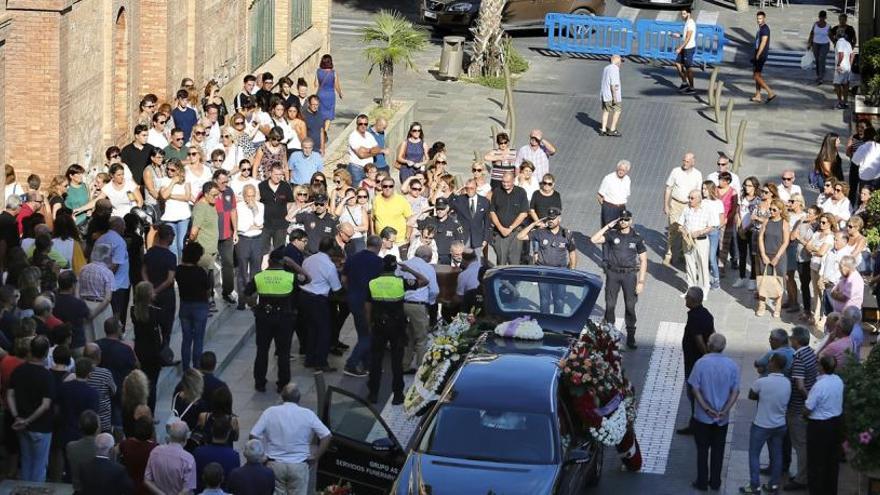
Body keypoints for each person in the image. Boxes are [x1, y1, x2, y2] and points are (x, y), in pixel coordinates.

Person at [366, 255, 429, 404]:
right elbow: (424, 281)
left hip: (378, 326)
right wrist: (409, 269)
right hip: (397, 327)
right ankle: (398, 395)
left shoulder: (372, 283)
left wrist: (369, 324)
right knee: (396, 361)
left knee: (376, 360)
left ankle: (373, 394)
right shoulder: (401, 281)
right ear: (395, 268)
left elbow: (367, 306)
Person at [249, 383, 332, 495]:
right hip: (299, 465)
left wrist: (262, 456)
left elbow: (253, 435)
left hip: (275, 465)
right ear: (299, 397)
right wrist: (315, 457)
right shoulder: (308, 414)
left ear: (282, 396)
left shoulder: (270, 412)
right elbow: (327, 436)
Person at [244, 249, 307, 393]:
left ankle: (260, 383)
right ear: (283, 263)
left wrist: (254, 307)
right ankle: (283, 384)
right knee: (284, 353)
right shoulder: (290, 277)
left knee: (262, 351)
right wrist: (294, 265)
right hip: (284, 319)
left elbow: (246, 294)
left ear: (270, 262)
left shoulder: (259, 276)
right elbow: (307, 278)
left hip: (264, 318)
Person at [687, 333, 739, 491]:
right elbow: (735, 391)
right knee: (718, 450)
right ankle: (715, 482)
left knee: (702, 450)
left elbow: (695, 389)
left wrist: (706, 408)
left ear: (709, 345)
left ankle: (702, 481)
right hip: (721, 419)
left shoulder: (701, 363)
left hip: (703, 417)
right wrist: (724, 410)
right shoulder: (732, 365)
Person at [590, 209, 646, 349]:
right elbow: (594, 239)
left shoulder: (637, 237)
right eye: (621, 219)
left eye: (626, 219)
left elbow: (644, 260)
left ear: (631, 221)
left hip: (629, 275)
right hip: (613, 274)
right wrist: (608, 226)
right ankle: (610, 334)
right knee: (610, 305)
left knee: (630, 306)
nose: (623, 222)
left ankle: (631, 337)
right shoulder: (612, 234)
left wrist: (641, 282)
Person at [740, 354, 791, 494]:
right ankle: (774, 485)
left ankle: (754, 486)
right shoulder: (787, 383)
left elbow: (751, 395)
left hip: (761, 424)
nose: (768, 364)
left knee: (754, 454)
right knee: (777, 455)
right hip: (780, 424)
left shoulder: (762, 382)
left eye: (769, 362)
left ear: (773, 364)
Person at [8, 335, 55, 482]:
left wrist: (18, 418)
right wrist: (28, 420)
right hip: (40, 427)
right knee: (39, 467)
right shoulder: (47, 376)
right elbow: (45, 405)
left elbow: (10, 395)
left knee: (27, 463)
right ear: (46, 353)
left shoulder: (18, 371)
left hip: (21, 426)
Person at [342, 236, 384, 377]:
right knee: (368, 335)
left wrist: (351, 291)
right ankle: (351, 364)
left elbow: (344, 279)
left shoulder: (352, 258)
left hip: (353, 299)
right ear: (379, 246)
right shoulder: (378, 262)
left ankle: (367, 364)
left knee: (362, 332)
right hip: (368, 303)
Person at [675, 287, 714, 435]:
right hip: (698, 360)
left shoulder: (694, 317)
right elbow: (712, 334)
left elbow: (699, 340)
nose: (685, 299)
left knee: (693, 393)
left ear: (693, 300)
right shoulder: (706, 314)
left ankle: (697, 424)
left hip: (694, 362)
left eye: (687, 298)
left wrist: (706, 357)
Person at [300, 237, 342, 372]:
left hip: (304, 296)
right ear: (331, 250)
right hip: (318, 300)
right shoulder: (329, 266)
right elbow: (336, 289)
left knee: (311, 329)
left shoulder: (309, 259)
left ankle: (310, 359)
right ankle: (321, 362)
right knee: (324, 331)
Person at [784, 326, 818, 491]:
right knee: (803, 442)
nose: (790, 340)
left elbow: (799, 385)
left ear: (796, 340)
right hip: (803, 406)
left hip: (798, 408)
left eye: (792, 338)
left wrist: (809, 401)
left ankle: (801, 478)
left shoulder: (798, 358)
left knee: (800, 444)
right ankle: (802, 474)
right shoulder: (810, 352)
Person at [804, 355, 844, 495]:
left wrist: (805, 415)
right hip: (836, 423)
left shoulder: (819, 385)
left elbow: (808, 408)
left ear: (821, 367)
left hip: (819, 426)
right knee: (832, 462)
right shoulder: (838, 381)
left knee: (816, 462)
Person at [400, 246, 439, 374]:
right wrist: (431, 303)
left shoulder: (403, 264)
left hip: (401, 303)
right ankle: (421, 368)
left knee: (408, 336)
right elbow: (434, 290)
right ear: (427, 257)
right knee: (421, 338)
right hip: (418, 305)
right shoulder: (428, 268)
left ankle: (404, 364)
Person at [176, 242, 211, 370]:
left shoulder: (178, 270)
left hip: (185, 306)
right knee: (198, 339)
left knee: (186, 339)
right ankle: (196, 367)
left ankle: (186, 368)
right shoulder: (200, 271)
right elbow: (208, 289)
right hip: (200, 306)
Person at [664, 153, 703, 266]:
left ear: (692, 162)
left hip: (689, 205)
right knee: (673, 229)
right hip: (676, 204)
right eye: (684, 161)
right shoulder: (676, 171)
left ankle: (681, 253)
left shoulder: (697, 174)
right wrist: (666, 205)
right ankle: (669, 253)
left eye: (687, 161)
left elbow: (699, 192)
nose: (684, 163)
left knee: (686, 230)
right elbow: (668, 188)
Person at [141, 224, 177, 348]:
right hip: (166, 296)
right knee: (166, 328)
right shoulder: (171, 256)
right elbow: (169, 279)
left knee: (152, 325)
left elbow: (143, 271)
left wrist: (149, 288)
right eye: (172, 235)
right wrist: (156, 290)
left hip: (150, 295)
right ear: (168, 237)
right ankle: (164, 352)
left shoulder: (150, 253)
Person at [678, 189, 717, 295]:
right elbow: (680, 225)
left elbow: (711, 226)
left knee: (702, 265)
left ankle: (704, 289)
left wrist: (700, 232)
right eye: (689, 197)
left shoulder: (706, 210)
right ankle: (690, 289)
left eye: (692, 198)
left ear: (699, 199)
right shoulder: (686, 209)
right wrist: (683, 231)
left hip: (701, 241)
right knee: (689, 265)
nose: (689, 200)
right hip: (688, 241)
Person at [757, 199, 790, 317]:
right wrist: (763, 254)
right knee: (763, 279)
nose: (771, 211)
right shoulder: (766, 221)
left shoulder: (784, 223)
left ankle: (777, 306)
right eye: (770, 209)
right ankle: (761, 305)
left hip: (779, 256)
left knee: (778, 281)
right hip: (765, 254)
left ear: (780, 211)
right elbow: (760, 238)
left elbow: (786, 242)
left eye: (774, 210)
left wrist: (777, 257)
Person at [144, 421, 197, 495]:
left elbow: (147, 480)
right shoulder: (188, 459)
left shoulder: (155, 452)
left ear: (169, 435)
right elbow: (187, 489)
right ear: (185, 438)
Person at [96, 216, 131, 326]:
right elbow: (116, 265)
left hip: (103, 283)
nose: (125, 228)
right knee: (117, 313)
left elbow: (98, 260)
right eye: (123, 225)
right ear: (118, 226)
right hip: (117, 284)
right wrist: (108, 279)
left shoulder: (101, 239)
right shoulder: (119, 242)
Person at [490, 171, 529, 265]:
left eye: (508, 182)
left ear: (513, 181)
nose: (505, 184)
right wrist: (500, 228)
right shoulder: (497, 191)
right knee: (501, 261)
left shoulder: (521, 192)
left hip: (515, 233)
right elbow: (492, 212)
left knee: (514, 262)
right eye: (503, 181)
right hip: (500, 233)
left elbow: (523, 213)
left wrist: (511, 228)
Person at [193, 416, 240, 493]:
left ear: (212, 430)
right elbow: (233, 481)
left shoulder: (198, 452)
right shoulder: (234, 456)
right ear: (228, 433)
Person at [236, 184, 264, 310]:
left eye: (253, 195)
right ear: (244, 196)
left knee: (256, 271)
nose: (251, 198)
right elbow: (240, 226)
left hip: (257, 239)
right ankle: (242, 299)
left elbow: (259, 223)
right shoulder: (238, 207)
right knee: (242, 270)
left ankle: (253, 299)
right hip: (243, 239)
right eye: (248, 196)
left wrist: (255, 210)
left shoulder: (261, 206)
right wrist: (249, 226)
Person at [80, 243, 115, 342]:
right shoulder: (107, 273)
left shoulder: (83, 269)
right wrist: (94, 313)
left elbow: (78, 290)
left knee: (87, 338)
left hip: (85, 305)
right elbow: (108, 298)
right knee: (101, 338)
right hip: (101, 308)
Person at [214, 170, 239, 305]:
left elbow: (233, 211)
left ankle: (227, 291)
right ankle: (208, 294)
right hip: (211, 235)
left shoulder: (229, 191)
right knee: (208, 265)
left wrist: (235, 230)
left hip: (227, 234)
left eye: (226, 181)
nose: (225, 184)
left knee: (228, 264)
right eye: (222, 182)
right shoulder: (206, 192)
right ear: (215, 180)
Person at [259, 164, 294, 255]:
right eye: (276, 174)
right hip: (265, 224)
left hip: (281, 225)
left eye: (280, 175)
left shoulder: (286, 186)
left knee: (279, 252)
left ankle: (278, 269)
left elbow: (290, 203)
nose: (278, 177)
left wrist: (288, 216)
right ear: (270, 173)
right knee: (264, 252)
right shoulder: (261, 186)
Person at [451, 179, 491, 252]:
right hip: (463, 238)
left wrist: (485, 239)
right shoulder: (459, 200)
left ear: (476, 188)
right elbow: (448, 205)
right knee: (463, 262)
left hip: (478, 239)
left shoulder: (484, 201)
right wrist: (455, 193)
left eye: (471, 188)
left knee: (476, 262)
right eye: (467, 188)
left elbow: (487, 223)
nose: (469, 190)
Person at [65, 410, 100, 493]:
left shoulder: (71, 446)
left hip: (78, 490)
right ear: (97, 427)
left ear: (79, 426)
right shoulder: (101, 448)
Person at [373, 177, 413, 247]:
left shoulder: (401, 200)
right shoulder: (376, 200)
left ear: (393, 187)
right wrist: (373, 235)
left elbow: (410, 219)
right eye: (385, 186)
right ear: (381, 187)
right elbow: (373, 218)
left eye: (390, 186)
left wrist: (407, 237)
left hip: (399, 242)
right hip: (381, 242)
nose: (388, 188)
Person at [347, 114, 385, 185]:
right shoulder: (353, 136)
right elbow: (361, 155)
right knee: (358, 191)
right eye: (360, 123)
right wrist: (372, 150)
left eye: (365, 124)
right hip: (357, 168)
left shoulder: (369, 135)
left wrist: (366, 150)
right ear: (357, 124)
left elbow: (378, 148)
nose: (363, 125)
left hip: (369, 169)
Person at [596, 160, 631, 227]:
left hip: (622, 208)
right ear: (617, 168)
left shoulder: (627, 179)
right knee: (608, 229)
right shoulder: (608, 178)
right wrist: (605, 207)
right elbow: (599, 195)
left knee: (621, 228)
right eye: (620, 169)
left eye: (623, 170)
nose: (621, 171)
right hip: (610, 208)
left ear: (627, 171)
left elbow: (627, 194)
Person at [752, 12, 776, 103]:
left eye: (760, 18)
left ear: (764, 18)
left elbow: (763, 42)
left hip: (761, 55)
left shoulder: (765, 29)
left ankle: (770, 92)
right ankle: (758, 95)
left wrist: (758, 54)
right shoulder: (761, 28)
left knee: (756, 76)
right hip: (758, 54)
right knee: (757, 75)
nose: (759, 20)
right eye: (758, 18)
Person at [674, 8, 697, 94]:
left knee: (689, 69)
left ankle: (691, 88)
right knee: (677, 63)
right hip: (685, 48)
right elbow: (686, 35)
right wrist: (679, 35)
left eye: (684, 14)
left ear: (688, 13)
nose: (682, 16)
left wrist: (680, 48)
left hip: (689, 48)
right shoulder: (687, 22)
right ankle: (684, 83)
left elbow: (688, 38)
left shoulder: (690, 23)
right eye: (682, 14)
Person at [599, 55, 623, 136]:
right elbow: (613, 85)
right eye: (620, 62)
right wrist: (615, 97)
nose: (621, 64)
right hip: (611, 95)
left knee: (606, 111)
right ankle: (612, 129)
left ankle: (603, 129)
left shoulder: (606, 68)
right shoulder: (615, 69)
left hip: (604, 94)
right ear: (617, 61)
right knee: (617, 110)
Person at [315, 54, 342, 122]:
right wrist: (340, 93)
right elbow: (336, 85)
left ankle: (322, 128)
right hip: (330, 95)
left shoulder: (318, 71)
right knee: (329, 115)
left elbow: (315, 84)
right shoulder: (333, 73)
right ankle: (325, 131)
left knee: (321, 113)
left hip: (320, 94)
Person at [807, 11, 832, 85]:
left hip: (824, 44)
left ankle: (821, 77)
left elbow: (830, 36)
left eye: (823, 17)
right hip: (815, 44)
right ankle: (818, 75)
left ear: (825, 18)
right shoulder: (815, 24)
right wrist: (809, 43)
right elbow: (812, 33)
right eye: (820, 17)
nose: (821, 19)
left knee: (821, 59)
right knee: (817, 60)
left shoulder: (828, 26)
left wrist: (835, 42)